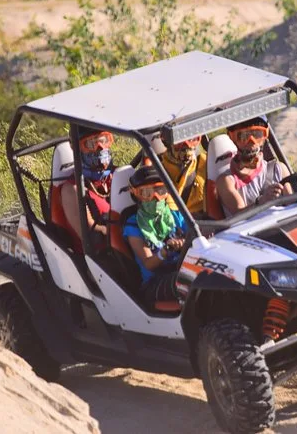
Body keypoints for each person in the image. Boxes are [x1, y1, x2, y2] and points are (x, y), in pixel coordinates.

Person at [123, 166, 187, 307]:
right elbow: (148, 263)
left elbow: (193, 234)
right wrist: (165, 251)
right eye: (147, 193)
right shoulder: (133, 225)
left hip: (180, 268)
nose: (156, 198)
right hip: (154, 282)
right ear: (136, 195)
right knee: (191, 280)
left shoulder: (174, 215)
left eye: (160, 191)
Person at [53, 127, 115, 252]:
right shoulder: (72, 189)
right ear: (78, 149)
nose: (100, 148)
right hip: (97, 258)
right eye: (91, 143)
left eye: (103, 140)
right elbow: (93, 236)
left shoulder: (115, 176)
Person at [216, 117, 292, 217]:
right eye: (244, 136)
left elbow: (294, 205)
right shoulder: (226, 181)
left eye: (257, 135)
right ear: (232, 138)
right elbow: (239, 215)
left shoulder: (279, 169)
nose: (251, 142)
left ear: (265, 136)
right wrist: (262, 201)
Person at [160, 131, 208, 216]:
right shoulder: (159, 172)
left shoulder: (208, 162)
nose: (187, 145)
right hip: (177, 221)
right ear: (167, 141)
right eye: (179, 139)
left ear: (200, 138)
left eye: (193, 138)